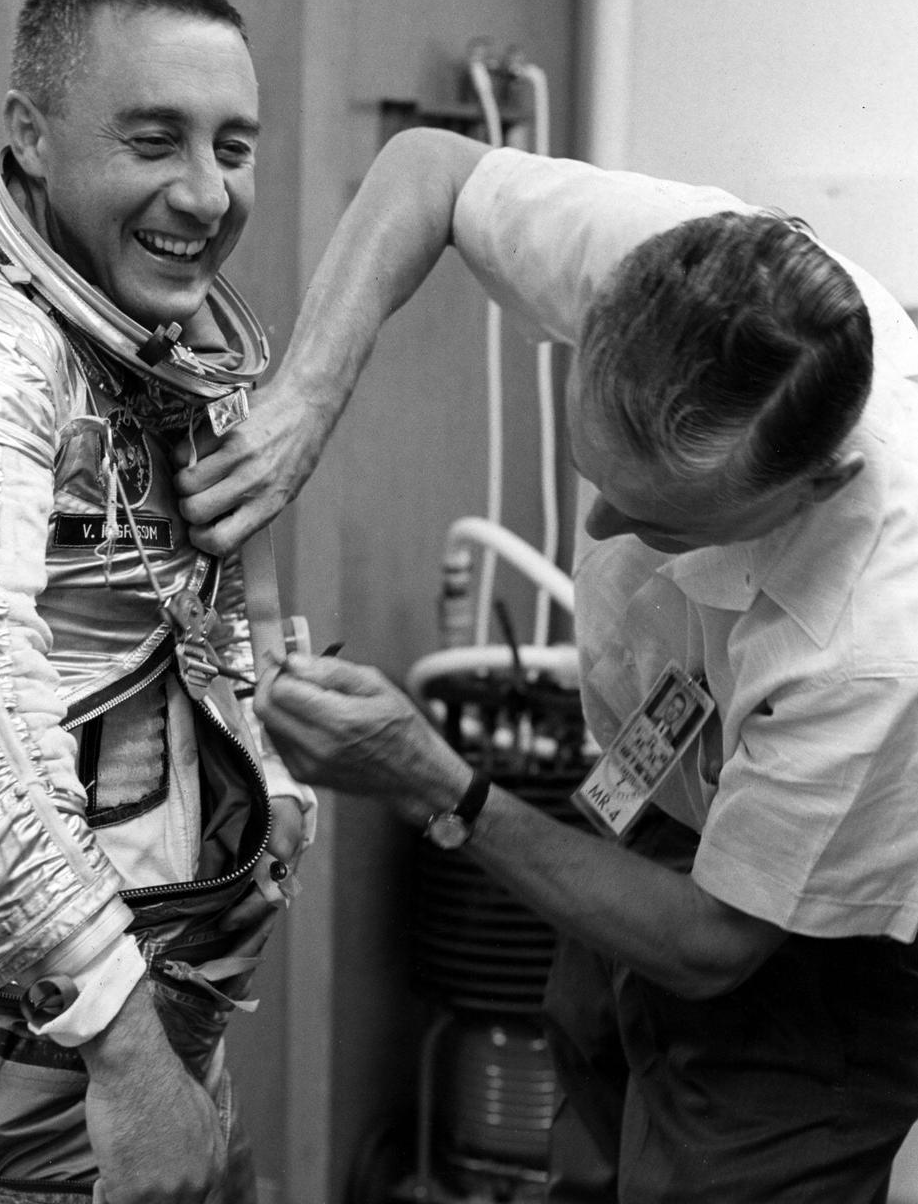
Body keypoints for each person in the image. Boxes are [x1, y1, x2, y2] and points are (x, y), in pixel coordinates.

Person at [181, 126, 918, 1202]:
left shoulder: (870, 646)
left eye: (663, 521)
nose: (608, 526)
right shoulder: (689, 275)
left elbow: (715, 944)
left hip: (819, 939)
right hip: (664, 774)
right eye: (594, 474)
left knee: (714, 1156)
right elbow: (427, 168)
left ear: (813, 486)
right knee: (587, 1039)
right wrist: (302, 404)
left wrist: (434, 781)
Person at [0, 0, 315, 1204]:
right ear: (31, 136)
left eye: (234, 145)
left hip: (146, 1029)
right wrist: (126, 1046)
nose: (206, 194)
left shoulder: (151, 327)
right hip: (10, 1086)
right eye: (155, 140)